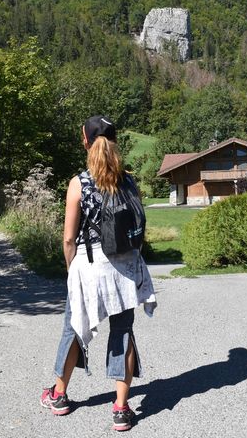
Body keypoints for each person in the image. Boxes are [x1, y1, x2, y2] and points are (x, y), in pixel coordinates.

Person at [40, 115, 156, 431]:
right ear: (115, 143)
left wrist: (70, 271)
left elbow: (68, 237)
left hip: (89, 266)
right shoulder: (129, 181)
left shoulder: (80, 182)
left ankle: (59, 395)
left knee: (74, 328)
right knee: (123, 331)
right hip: (125, 267)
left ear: (85, 141)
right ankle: (121, 408)